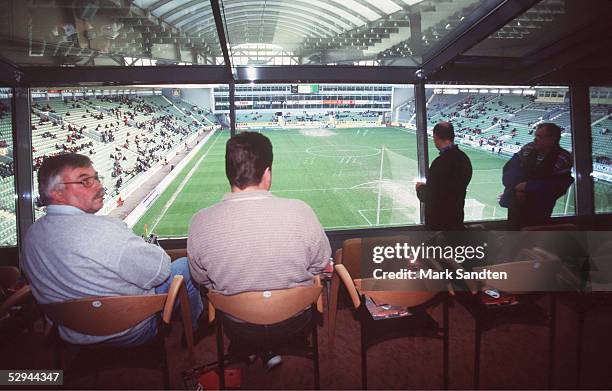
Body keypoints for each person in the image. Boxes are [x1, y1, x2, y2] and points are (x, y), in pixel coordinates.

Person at [21, 153, 203, 347]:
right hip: (130, 331)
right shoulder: (105, 229)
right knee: (184, 266)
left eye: (96, 178)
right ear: (56, 193)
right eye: (85, 181)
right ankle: (195, 328)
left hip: (72, 334)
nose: (99, 186)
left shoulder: (31, 235)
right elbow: (162, 271)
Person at [188, 131, 331, 368]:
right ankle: (268, 346)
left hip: (237, 323)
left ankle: (251, 346)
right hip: (293, 319)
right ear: (267, 173)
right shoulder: (301, 211)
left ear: (228, 172)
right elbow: (320, 264)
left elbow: (200, 278)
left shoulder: (199, 221)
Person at [502, 123, 573, 230]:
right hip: (515, 203)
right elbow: (509, 171)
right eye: (535, 136)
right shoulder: (528, 148)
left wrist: (528, 187)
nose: (535, 139)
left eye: (539, 137)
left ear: (552, 139)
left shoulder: (563, 158)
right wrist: (516, 189)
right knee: (512, 232)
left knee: (535, 235)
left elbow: (558, 186)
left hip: (540, 209)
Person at [415, 121, 473, 230]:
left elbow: (431, 196)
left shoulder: (440, 163)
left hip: (439, 223)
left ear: (436, 137)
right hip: (456, 219)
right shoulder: (464, 159)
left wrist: (420, 188)